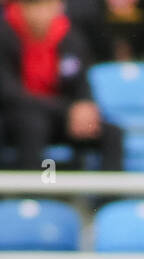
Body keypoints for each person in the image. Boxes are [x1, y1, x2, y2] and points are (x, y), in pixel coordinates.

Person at [0, 0, 124, 171]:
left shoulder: (70, 37)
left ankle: (111, 196)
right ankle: (32, 194)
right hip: (17, 117)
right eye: (35, 7)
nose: (41, 14)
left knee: (112, 133)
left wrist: (84, 105)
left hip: (60, 117)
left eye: (48, 6)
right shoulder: (5, 36)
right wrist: (68, 110)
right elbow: (9, 94)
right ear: (22, 8)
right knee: (32, 124)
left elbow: (81, 82)